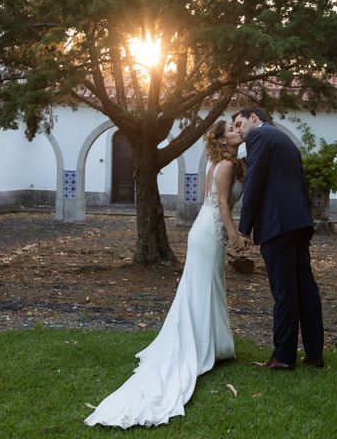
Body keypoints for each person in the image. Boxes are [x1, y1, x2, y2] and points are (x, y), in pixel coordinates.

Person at [84, 120, 246, 428]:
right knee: (204, 287)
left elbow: (211, 201)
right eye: (233, 130)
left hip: (205, 230)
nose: (238, 132)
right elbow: (222, 203)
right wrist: (234, 235)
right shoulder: (224, 166)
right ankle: (201, 345)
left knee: (206, 287)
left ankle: (211, 342)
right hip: (210, 231)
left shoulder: (224, 163)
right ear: (223, 140)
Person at [232, 106, 324, 371]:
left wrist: (244, 229)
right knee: (305, 288)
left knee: (284, 291)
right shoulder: (282, 138)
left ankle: (283, 356)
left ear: (254, 118)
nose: (239, 131)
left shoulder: (259, 137)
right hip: (298, 221)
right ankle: (314, 352)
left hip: (278, 223)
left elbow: (254, 182)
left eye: (240, 124)